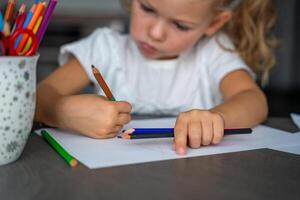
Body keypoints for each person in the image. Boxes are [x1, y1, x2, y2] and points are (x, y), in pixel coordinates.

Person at [35, 0, 277, 155]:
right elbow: (37, 98)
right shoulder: (104, 48)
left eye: (180, 25)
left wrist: (217, 118)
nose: (155, 33)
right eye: (148, 8)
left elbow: (253, 99)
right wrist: (61, 111)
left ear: (213, 22)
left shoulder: (213, 53)